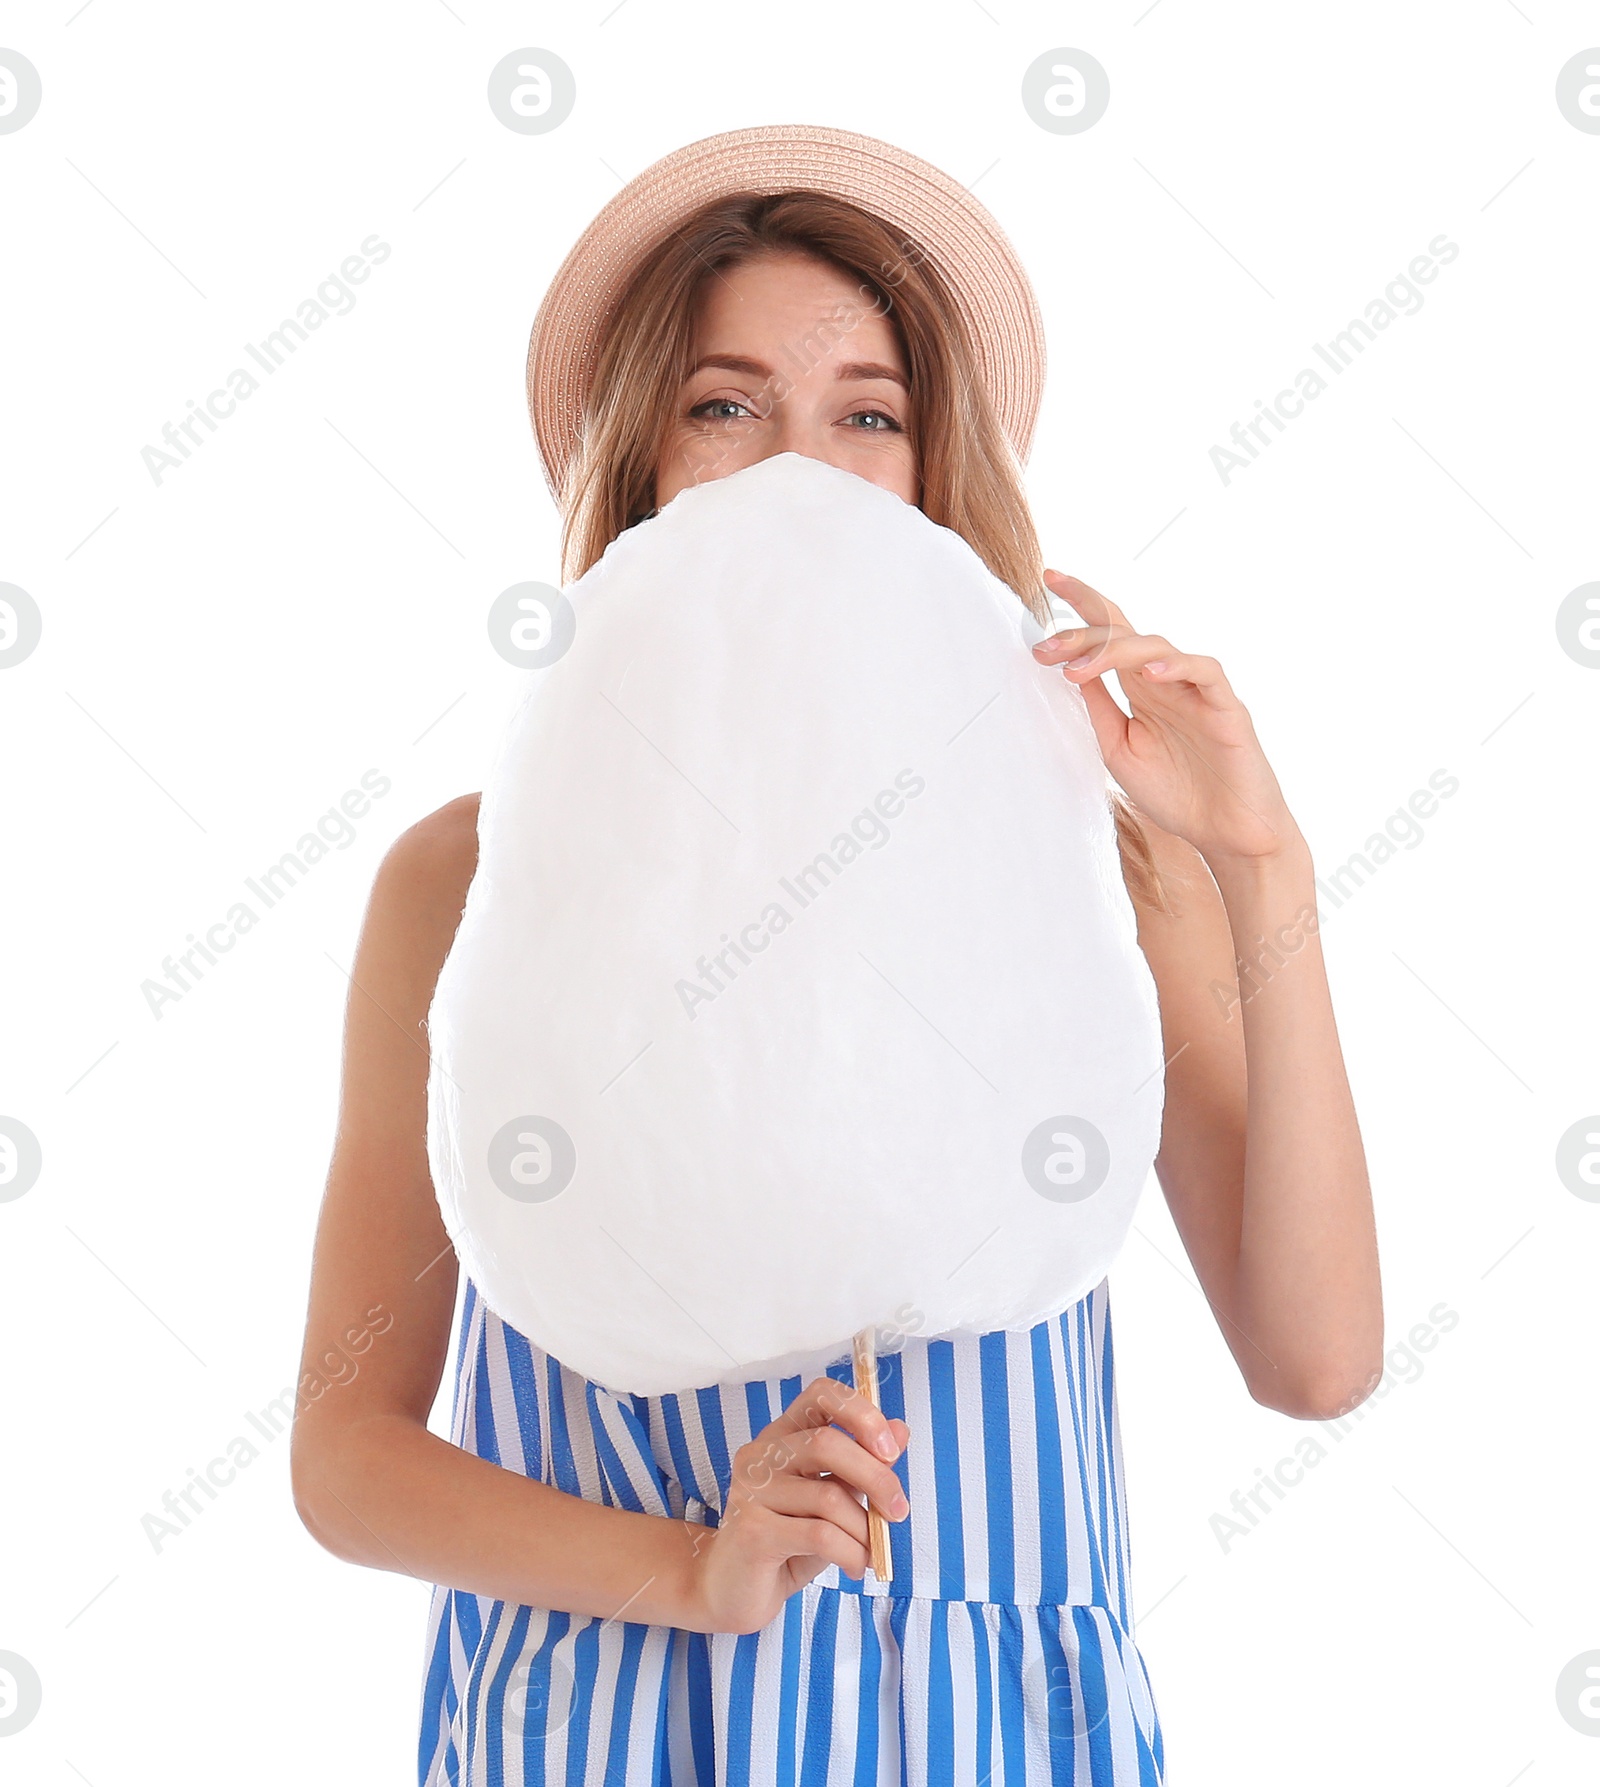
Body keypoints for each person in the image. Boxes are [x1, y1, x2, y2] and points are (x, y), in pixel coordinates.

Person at [290, 126, 1382, 1785]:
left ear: (936, 477)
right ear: (642, 464)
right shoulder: (465, 873)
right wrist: (685, 1571)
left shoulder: (1096, 858)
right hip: (599, 1725)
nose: (798, 465)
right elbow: (345, 1455)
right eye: (725, 405)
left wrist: (1259, 861)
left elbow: (1316, 1358)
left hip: (995, 1738)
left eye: (867, 415)